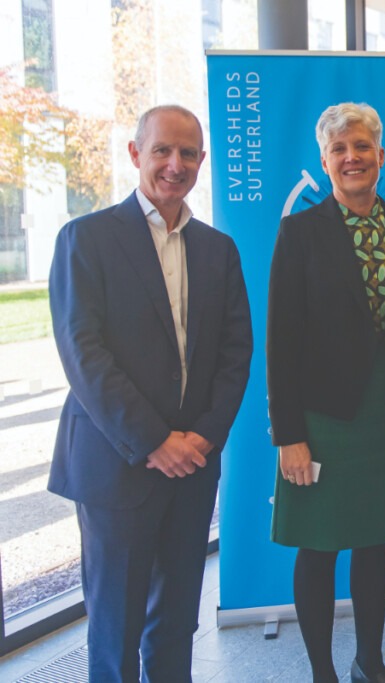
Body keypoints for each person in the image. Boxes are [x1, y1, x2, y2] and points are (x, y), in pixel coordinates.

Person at [48, 104, 253, 681]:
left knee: (176, 624)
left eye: (188, 153)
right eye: (162, 150)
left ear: (201, 162)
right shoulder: (85, 239)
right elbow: (84, 356)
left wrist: (203, 437)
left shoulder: (218, 249)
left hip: (192, 465)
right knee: (115, 626)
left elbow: (235, 354)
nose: (175, 164)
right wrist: (154, 440)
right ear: (136, 154)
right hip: (118, 467)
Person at [266, 102, 385, 683]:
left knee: (374, 541)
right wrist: (289, 435)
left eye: (362, 147)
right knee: (318, 548)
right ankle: (323, 671)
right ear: (325, 161)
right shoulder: (299, 232)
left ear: (380, 156)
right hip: (324, 421)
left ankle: (371, 659)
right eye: (340, 149)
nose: (352, 158)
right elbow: (281, 342)